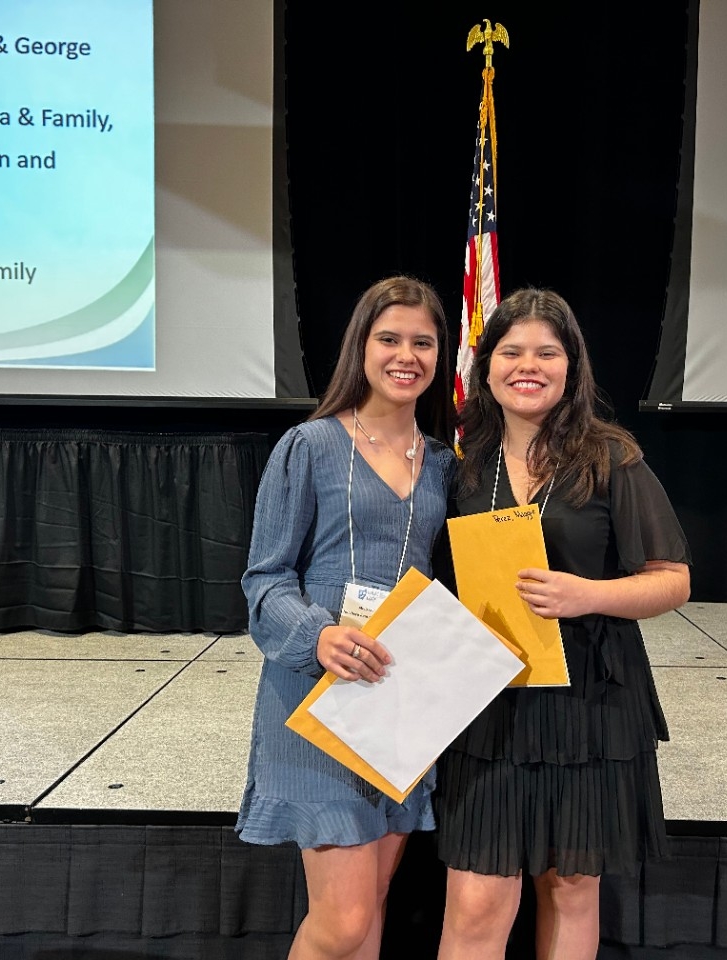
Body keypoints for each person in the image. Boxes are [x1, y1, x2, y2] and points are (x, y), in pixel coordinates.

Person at [435, 288, 691, 960]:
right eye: (512, 351)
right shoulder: (462, 467)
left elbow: (674, 580)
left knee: (571, 885)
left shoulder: (612, 458)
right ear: (486, 368)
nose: (530, 364)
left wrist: (590, 595)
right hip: (490, 705)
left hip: (590, 700)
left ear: (572, 368)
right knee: (476, 898)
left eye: (548, 352)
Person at [238, 276, 455, 960]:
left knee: (369, 916)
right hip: (318, 701)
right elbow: (264, 578)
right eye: (389, 338)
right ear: (360, 346)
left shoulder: (448, 466)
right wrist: (318, 636)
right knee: (343, 920)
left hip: (400, 705)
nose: (406, 354)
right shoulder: (309, 447)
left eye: (423, 341)